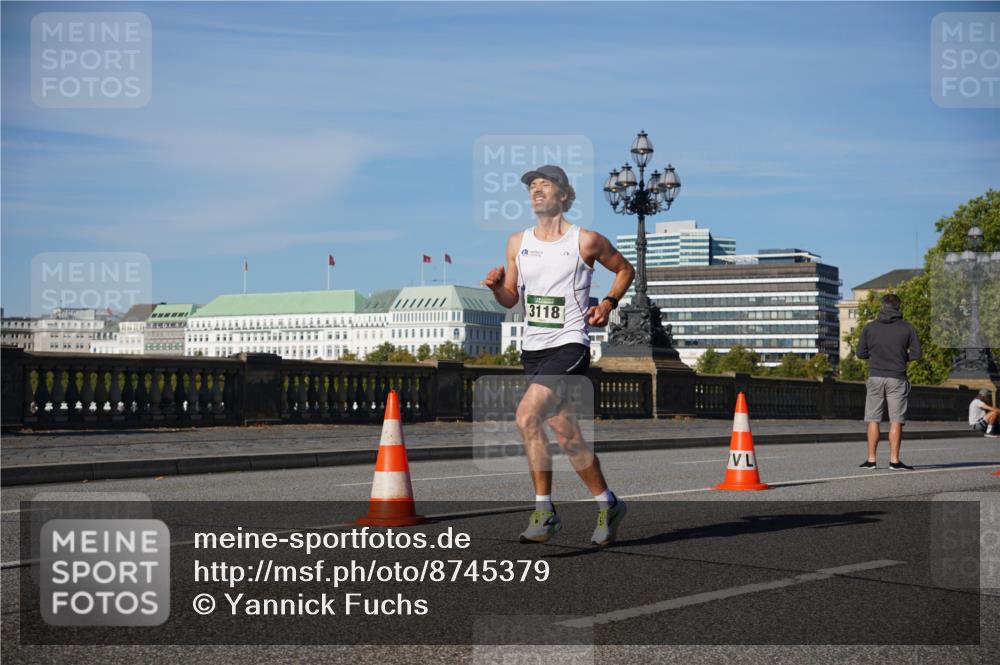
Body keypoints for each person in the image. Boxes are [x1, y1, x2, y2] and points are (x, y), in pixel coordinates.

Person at [483, 164, 635, 546]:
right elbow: (511, 299)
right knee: (567, 436)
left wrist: (609, 303)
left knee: (526, 415)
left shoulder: (585, 241)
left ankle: (544, 511)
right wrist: (495, 288)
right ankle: (608, 503)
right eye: (532, 186)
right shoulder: (518, 242)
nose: (536, 191)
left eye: (545, 185)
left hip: (570, 344)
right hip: (532, 349)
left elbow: (624, 269)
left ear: (564, 196)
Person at [856, 293, 922, 470]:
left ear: (882, 306)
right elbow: (916, 354)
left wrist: (877, 356)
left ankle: (871, 460)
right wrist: (900, 356)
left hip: (875, 375)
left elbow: (860, 353)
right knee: (896, 420)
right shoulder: (907, 328)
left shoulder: (870, 328)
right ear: (898, 307)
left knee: (872, 419)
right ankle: (894, 460)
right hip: (897, 377)